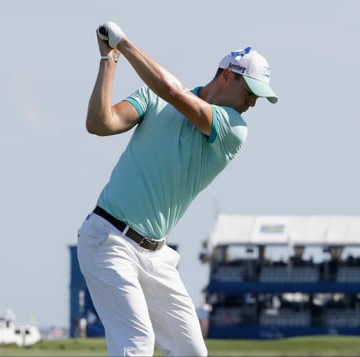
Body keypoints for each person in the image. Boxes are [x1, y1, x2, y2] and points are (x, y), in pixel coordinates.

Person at [77, 21, 277, 356]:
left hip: (156, 256)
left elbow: (172, 92)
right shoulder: (151, 100)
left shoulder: (233, 129)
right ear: (228, 75)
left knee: (192, 352)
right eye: (250, 92)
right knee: (136, 342)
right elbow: (100, 124)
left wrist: (124, 44)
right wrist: (108, 59)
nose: (252, 104)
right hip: (108, 239)